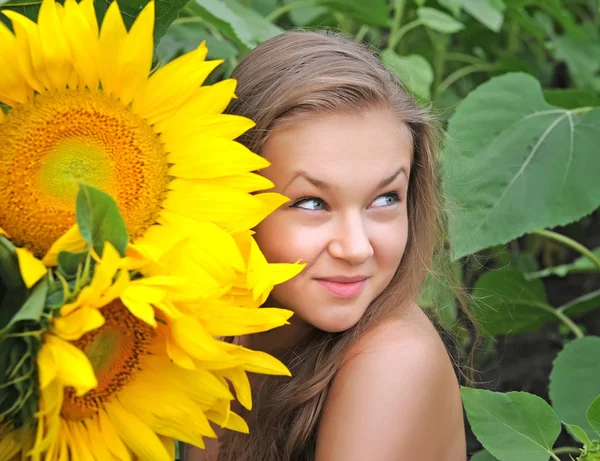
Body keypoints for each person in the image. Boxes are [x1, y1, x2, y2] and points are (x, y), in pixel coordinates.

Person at [185, 30, 471, 461]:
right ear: (233, 201)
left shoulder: (394, 361)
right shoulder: (196, 324)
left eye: (384, 199)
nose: (356, 248)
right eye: (313, 203)